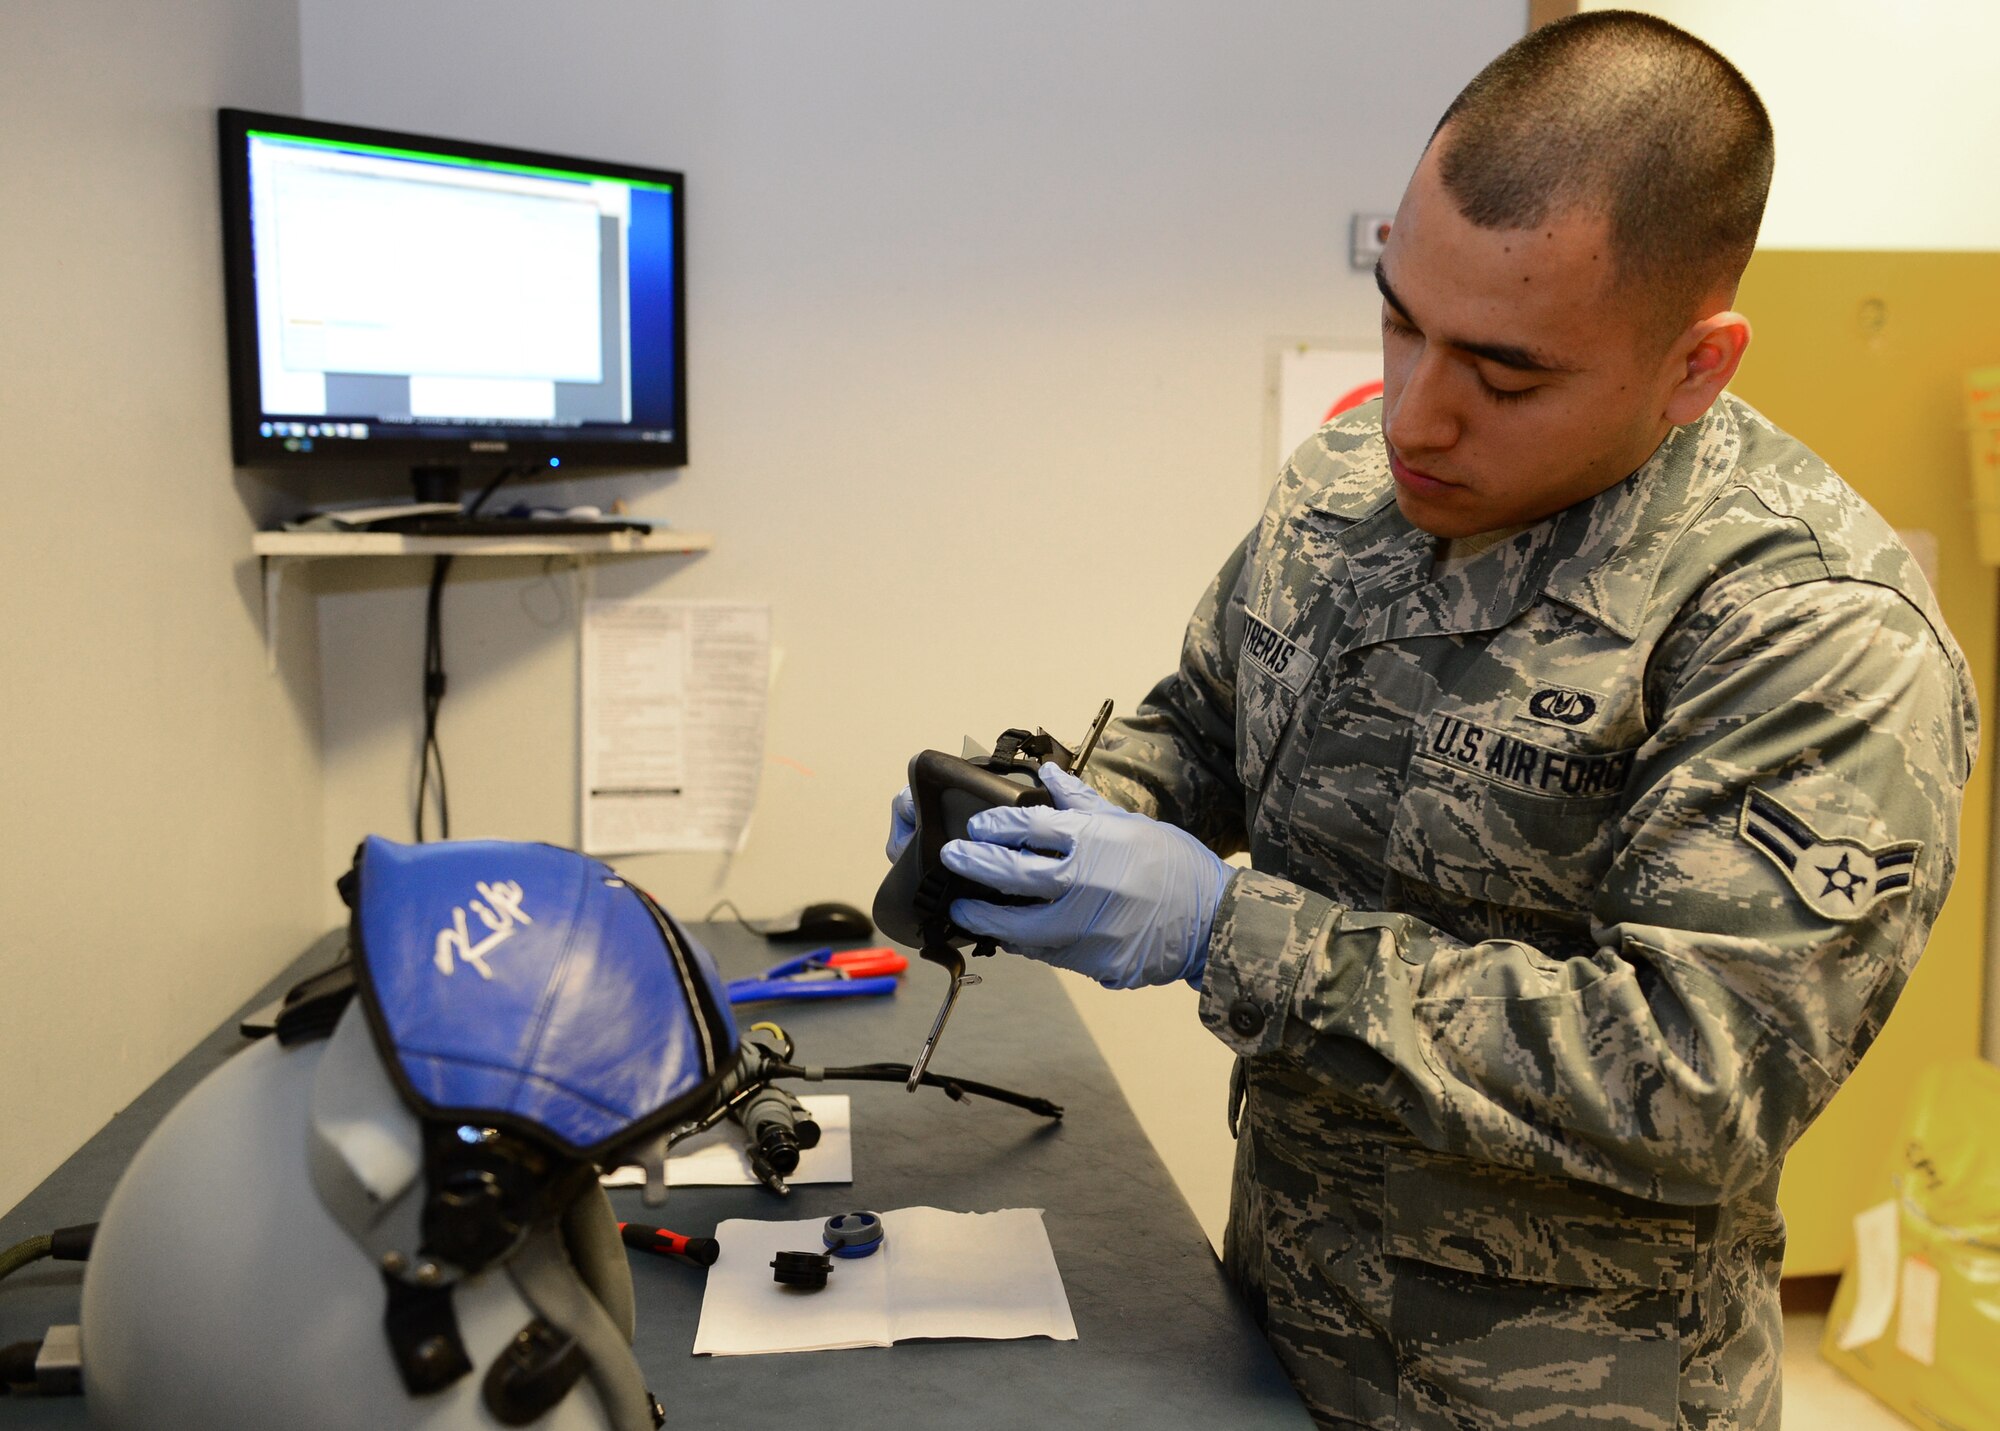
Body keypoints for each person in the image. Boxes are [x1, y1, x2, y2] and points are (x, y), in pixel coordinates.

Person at [886, 11, 1978, 1430]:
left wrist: (1225, 932)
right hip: (1274, 1325)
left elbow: (1693, 1081)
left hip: (1564, 1400)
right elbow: (1212, 722)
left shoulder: (1812, 634)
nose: (1416, 415)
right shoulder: (1356, 480)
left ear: (1696, 366)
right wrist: (1056, 813)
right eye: (1400, 318)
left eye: (1507, 373)